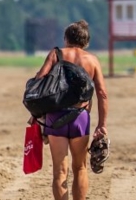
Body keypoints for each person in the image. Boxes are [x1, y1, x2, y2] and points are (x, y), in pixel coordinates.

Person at [33, 20, 108, 200]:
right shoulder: (93, 60)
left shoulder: (56, 54)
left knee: (60, 171)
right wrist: (102, 125)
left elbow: (39, 81)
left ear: (66, 38)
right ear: (86, 41)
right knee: (80, 167)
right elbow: (102, 94)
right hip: (80, 118)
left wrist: (36, 113)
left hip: (55, 116)